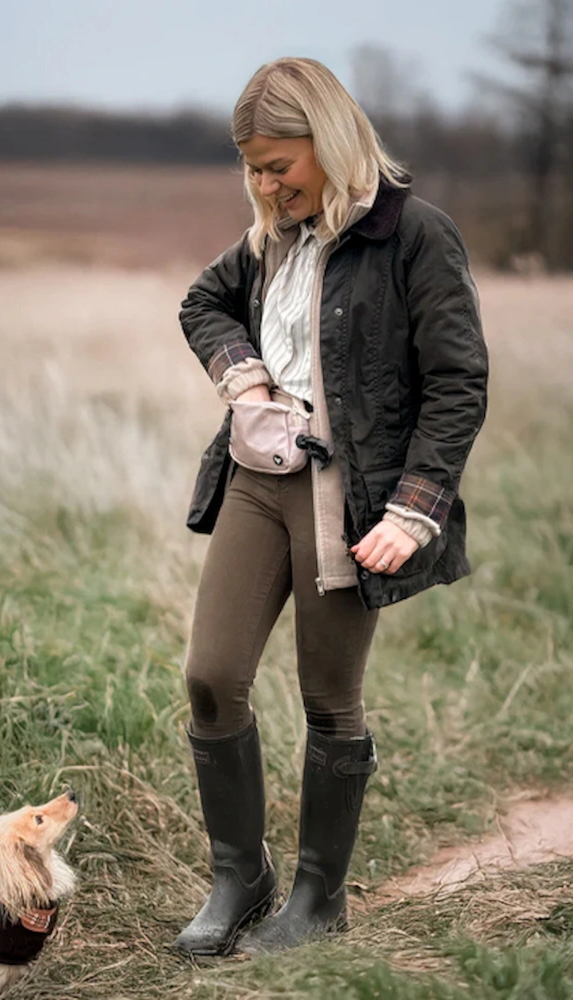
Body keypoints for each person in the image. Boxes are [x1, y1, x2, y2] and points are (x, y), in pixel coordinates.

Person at [173, 57, 488, 957]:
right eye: (255, 170)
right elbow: (203, 302)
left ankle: (318, 897)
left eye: (280, 165)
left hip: (351, 501)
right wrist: (243, 372)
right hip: (255, 477)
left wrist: (413, 510)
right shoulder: (272, 235)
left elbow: (459, 381)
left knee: (329, 700)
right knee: (211, 673)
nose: (267, 186)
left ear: (330, 137)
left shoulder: (416, 236)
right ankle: (242, 877)